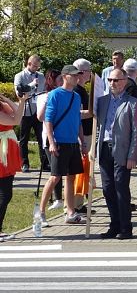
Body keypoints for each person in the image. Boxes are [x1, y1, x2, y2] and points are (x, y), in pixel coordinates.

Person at [39, 65, 88, 226]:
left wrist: (82, 141)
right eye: (74, 75)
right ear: (65, 76)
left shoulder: (76, 96)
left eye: (78, 75)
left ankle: (71, 212)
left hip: (73, 142)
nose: (77, 78)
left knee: (71, 177)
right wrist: (52, 142)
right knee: (55, 177)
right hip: (58, 143)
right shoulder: (55, 95)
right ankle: (41, 212)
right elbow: (48, 119)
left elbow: (78, 121)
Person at [96, 68, 137, 240]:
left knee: (121, 188)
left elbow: (136, 132)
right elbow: (96, 123)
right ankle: (114, 225)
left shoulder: (133, 103)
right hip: (104, 148)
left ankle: (125, 227)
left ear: (125, 81)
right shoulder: (102, 101)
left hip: (122, 150)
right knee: (108, 189)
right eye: (110, 80)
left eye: (116, 80)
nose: (112, 84)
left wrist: (132, 156)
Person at [0, 92, 29, 240]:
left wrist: (10, 100)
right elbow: (17, 120)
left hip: (6, 151)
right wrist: (21, 102)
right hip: (2, 153)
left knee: (5, 192)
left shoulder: (2, 106)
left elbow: (18, 111)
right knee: (5, 194)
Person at [13, 54, 46, 172]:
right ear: (29, 64)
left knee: (42, 138)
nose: (37, 69)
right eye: (35, 66)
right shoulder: (19, 76)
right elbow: (19, 92)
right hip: (25, 110)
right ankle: (24, 163)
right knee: (24, 138)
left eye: (38, 67)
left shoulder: (41, 77)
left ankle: (44, 163)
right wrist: (32, 85)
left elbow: (43, 92)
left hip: (39, 111)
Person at [36, 70, 64, 210]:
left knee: (59, 172)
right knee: (55, 172)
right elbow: (40, 117)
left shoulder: (65, 95)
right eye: (59, 79)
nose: (62, 81)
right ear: (52, 81)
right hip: (50, 138)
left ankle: (60, 199)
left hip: (64, 137)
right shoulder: (44, 96)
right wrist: (49, 99)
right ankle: (45, 207)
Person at [72, 59, 94, 212]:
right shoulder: (76, 91)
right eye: (88, 70)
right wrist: (92, 112)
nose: (90, 73)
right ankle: (75, 204)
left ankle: (78, 203)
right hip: (81, 134)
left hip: (87, 132)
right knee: (79, 169)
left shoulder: (82, 89)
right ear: (81, 72)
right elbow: (77, 115)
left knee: (84, 169)